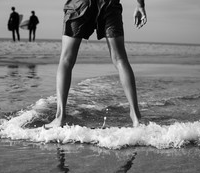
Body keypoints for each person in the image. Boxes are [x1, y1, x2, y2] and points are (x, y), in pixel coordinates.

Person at [46, 0, 147, 128]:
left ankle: (60, 117)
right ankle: (136, 117)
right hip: (109, 4)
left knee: (66, 59)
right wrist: (140, 5)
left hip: (79, 4)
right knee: (120, 59)